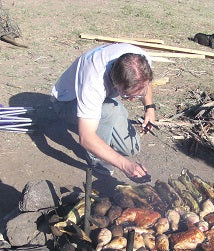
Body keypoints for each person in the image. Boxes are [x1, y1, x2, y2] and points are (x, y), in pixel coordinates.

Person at [51, 43, 156, 181]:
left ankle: (102, 130)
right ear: (115, 82)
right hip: (66, 102)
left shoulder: (141, 61)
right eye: (127, 95)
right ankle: (96, 158)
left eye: (137, 95)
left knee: (131, 148)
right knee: (108, 110)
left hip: (102, 100)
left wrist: (150, 107)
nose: (131, 100)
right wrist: (125, 165)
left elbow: (145, 83)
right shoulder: (94, 82)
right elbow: (86, 137)